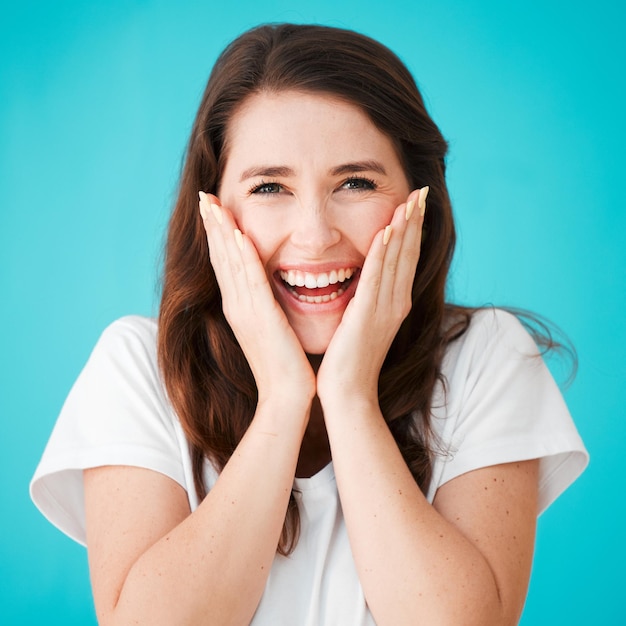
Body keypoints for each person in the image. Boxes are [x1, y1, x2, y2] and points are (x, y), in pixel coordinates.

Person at [30, 23, 588, 626]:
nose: (315, 236)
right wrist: (283, 400)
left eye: (355, 182)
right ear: (213, 210)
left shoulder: (487, 356)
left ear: (419, 201)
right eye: (270, 186)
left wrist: (349, 397)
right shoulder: (137, 366)